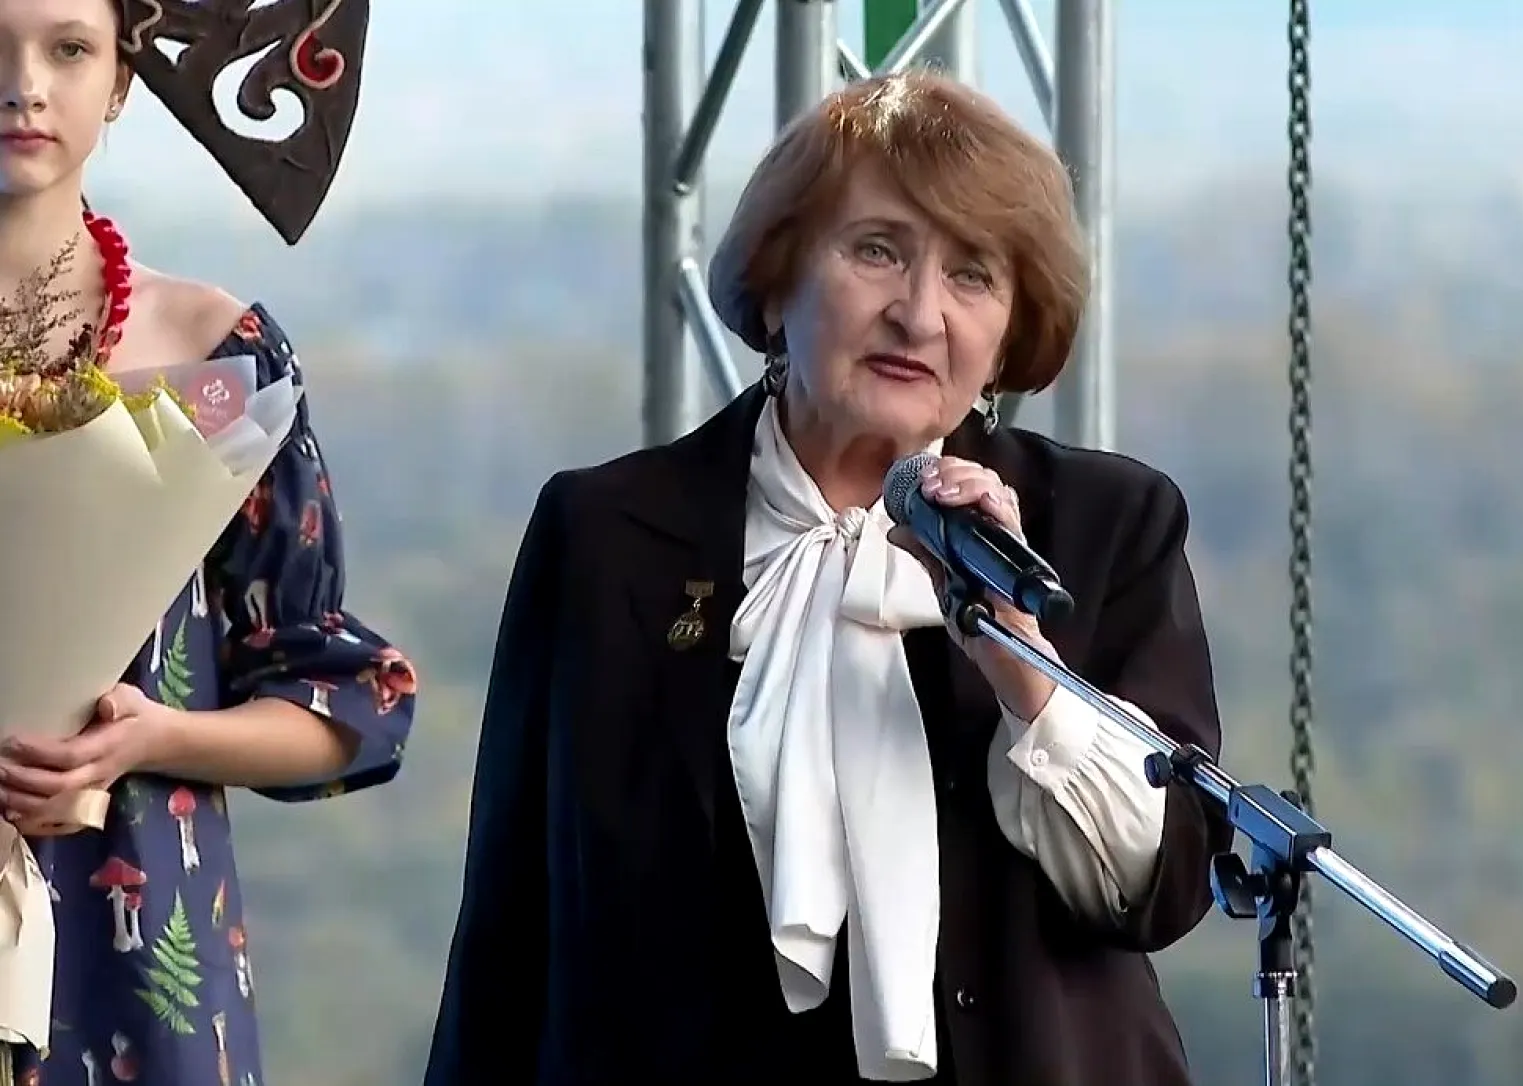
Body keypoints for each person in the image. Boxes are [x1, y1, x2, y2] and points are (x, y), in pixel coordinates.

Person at [426, 70, 1228, 1086]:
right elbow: (508, 931)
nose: (919, 314)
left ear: (1010, 337)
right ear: (777, 279)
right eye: (877, 251)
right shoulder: (606, 535)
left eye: (973, 275)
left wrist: (1022, 662)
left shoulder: (1105, 526)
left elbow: (1163, 884)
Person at [0, 1, 415, 1083]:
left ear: (122, 80)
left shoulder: (219, 357)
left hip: (134, 965)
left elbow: (343, 698)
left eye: (69, 49)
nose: (24, 85)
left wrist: (146, 740)